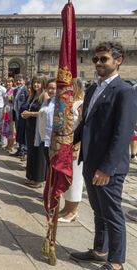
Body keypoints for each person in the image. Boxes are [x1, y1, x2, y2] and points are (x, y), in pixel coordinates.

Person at [71, 42, 137, 270]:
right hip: (90, 161)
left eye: (103, 59)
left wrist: (106, 168)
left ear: (118, 60)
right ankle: (100, 250)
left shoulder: (124, 91)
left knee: (112, 213)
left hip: (109, 166)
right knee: (98, 211)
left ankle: (117, 261)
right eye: (95, 59)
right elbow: (86, 123)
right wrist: (68, 142)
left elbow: (123, 133)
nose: (98, 63)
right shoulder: (92, 89)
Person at [59, 78, 85, 223]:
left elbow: (82, 127)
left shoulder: (80, 104)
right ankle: (67, 207)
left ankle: (73, 211)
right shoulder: (69, 102)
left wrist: (76, 145)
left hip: (75, 146)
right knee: (67, 177)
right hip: (65, 145)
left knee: (75, 178)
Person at [21, 75, 47, 188]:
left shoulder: (44, 96)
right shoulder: (32, 95)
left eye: (38, 82)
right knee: (31, 151)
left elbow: (46, 112)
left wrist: (30, 114)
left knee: (39, 153)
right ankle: (31, 176)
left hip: (39, 128)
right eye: (34, 82)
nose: (36, 85)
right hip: (31, 126)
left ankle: (39, 179)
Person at [11, 74, 29, 159]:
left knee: (23, 132)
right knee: (18, 132)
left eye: (20, 80)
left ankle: (23, 150)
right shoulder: (15, 90)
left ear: (23, 80)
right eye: (17, 80)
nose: (18, 82)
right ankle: (19, 149)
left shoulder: (25, 89)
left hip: (22, 114)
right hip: (16, 113)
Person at [3, 78, 16, 152]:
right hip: (6, 110)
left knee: (12, 128)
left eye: (10, 82)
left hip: (11, 110)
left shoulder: (14, 90)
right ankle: (8, 144)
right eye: (7, 82)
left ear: (12, 83)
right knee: (7, 128)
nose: (8, 83)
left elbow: (13, 101)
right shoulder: (7, 90)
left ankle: (11, 146)